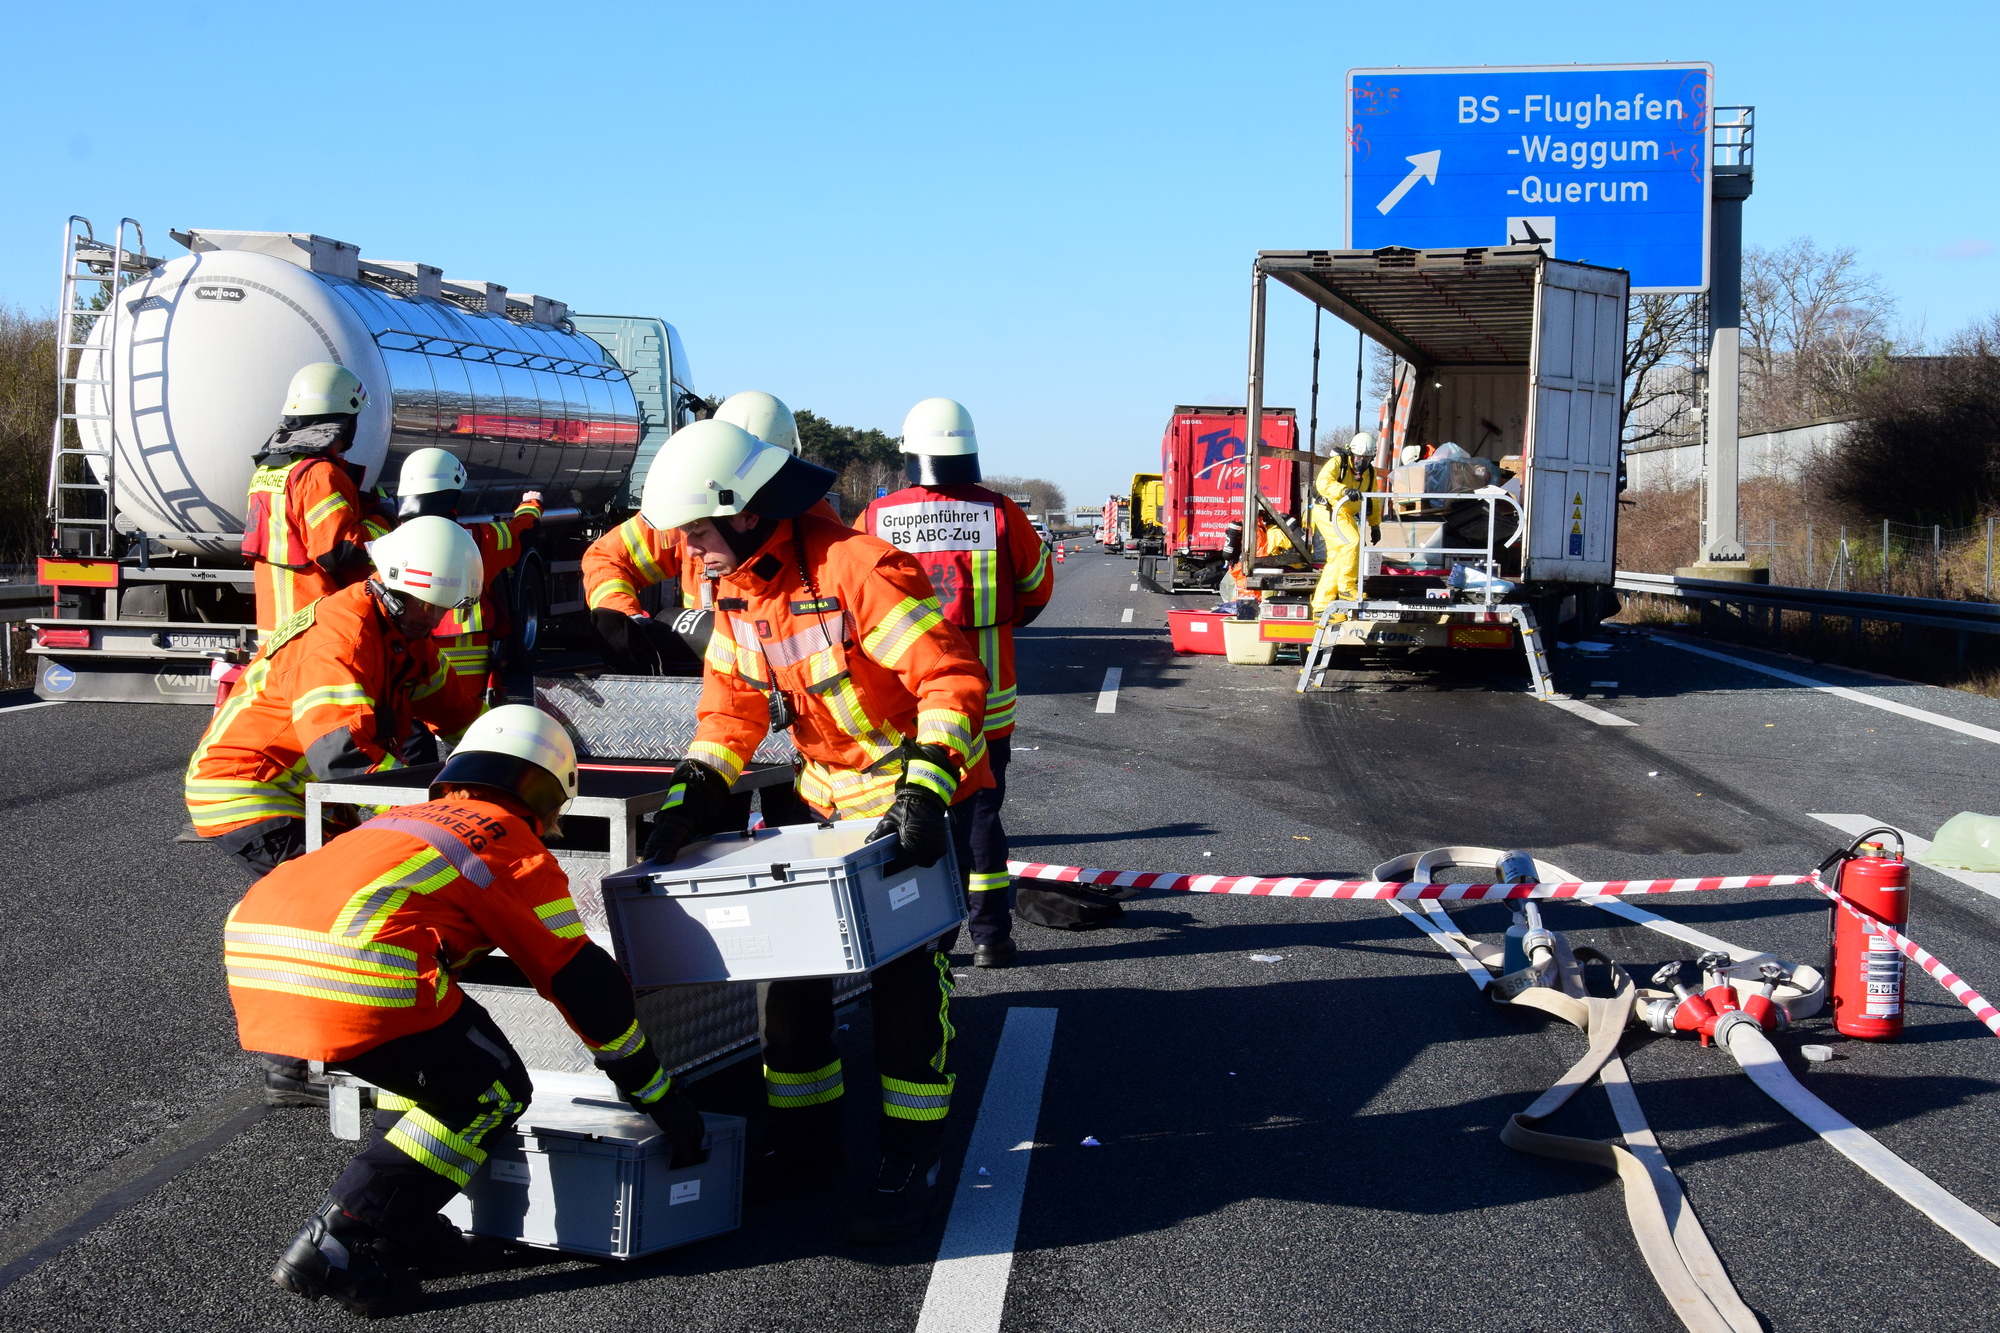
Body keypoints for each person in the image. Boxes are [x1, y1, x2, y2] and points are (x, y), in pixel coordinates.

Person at [634, 418, 991, 1244]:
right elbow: (729, 710)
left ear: (747, 511)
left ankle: (912, 1154)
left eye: (697, 530)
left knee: (906, 988)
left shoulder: (855, 568)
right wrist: (694, 791)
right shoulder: (735, 590)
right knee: (789, 981)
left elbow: (949, 678)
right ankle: (806, 1141)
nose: (690, 550)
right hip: (825, 803)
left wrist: (927, 791)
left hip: (908, 798)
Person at [230, 705, 708, 1317]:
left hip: (257, 951)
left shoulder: (407, 815)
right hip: (356, 967)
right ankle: (340, 1243)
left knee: (438, 1072)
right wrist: (659, 1095)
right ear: (550, 788)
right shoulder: (507, 840)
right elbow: (583, 981)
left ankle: (407, 1232)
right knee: (493, 1090)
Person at [859, 397, 1052, 968]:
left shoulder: (875, 518)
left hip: (907, 704)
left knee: (909, 811)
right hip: (987, 701)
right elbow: (1037, 586)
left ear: (909, 454)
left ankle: (922, 936)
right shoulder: (998, 512)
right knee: (981, 813)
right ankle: (991, 936)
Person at [581, 391, 830, 675]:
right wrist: (628, 620)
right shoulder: (689, 512)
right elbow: (607, 559)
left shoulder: (816, 522)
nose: (692, 546)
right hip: (710, 677)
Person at [393, 447, 544, 711]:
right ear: (451, 496)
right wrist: (531, 506)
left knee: (414, 731)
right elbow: (522, 534)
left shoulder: (388, 541)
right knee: (467, 729)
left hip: (408, 655)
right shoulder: (476, 538)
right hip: (465, 665)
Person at [244, 363, 375, 633]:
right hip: (316, 625)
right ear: (345, 421)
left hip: (277, 627)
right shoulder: (320, 474)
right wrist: (382, 519)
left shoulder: (270, 469)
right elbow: (339, 553)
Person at [1309, 432, 1384, 619]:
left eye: (1367, 458)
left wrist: (1375, 525)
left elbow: (1373, 499)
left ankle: (1320, 606)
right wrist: (1344, 490)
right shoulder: (1338, 463)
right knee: (1352, 542)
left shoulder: (1370, 473)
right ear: (1352, 453)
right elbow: (1323, 483)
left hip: (1345, 514)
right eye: (1359, 457)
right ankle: (1347, 589)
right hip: (1329, 510)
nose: (1362, 462)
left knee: (1337, 558)